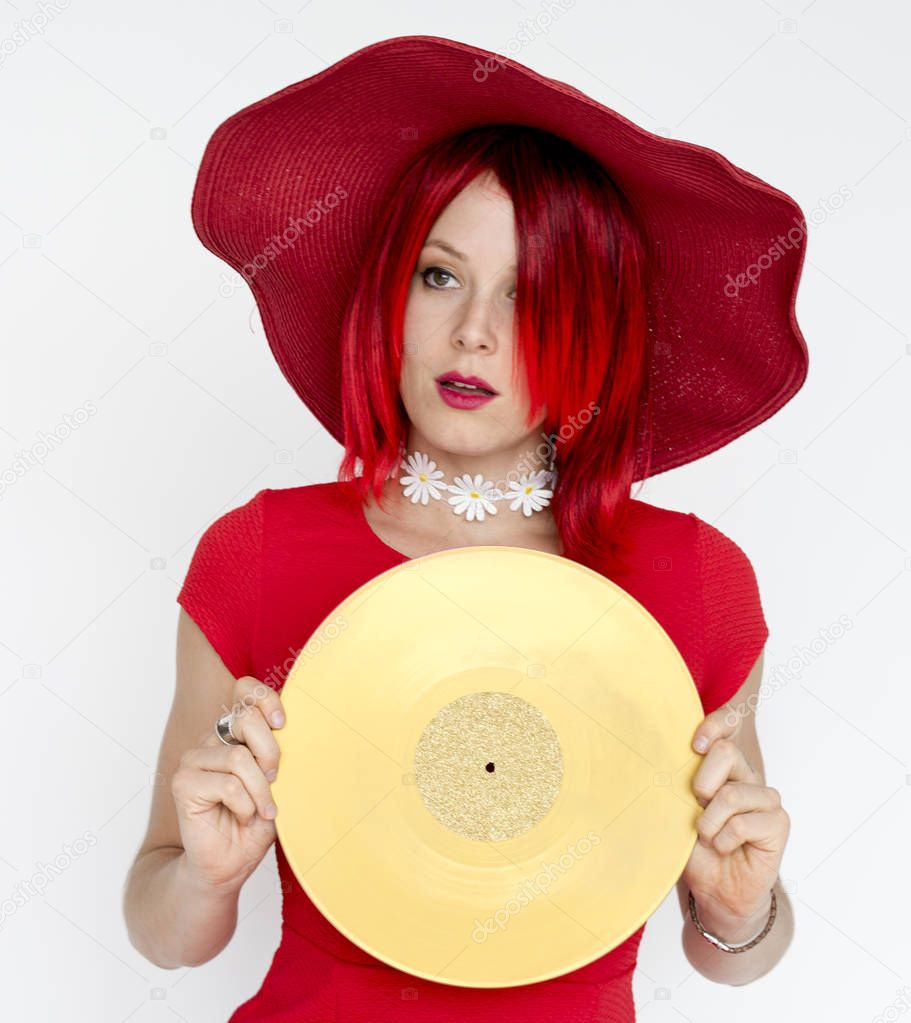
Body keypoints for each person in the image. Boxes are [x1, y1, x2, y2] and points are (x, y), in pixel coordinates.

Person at [123, 35, 806, 1020]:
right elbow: (161, 926)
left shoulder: (690, 580)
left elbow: (733, 953)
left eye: (532, 295)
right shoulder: (258, 555)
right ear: (388, 293)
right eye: (439, 276)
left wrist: (741, 907)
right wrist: (207, 876)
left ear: (598, 328)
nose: (474, 332)